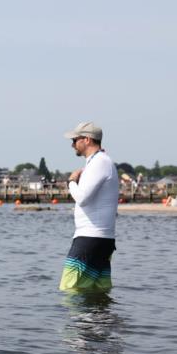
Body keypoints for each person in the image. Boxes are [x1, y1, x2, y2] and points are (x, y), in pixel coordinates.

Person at [59, 122, 119, 292]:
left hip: (90, 238)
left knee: (70, 290)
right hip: (100, 238)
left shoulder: (99, 162)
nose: (72, 144)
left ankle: (76, 320)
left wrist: (71, 181)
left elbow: (82, 198)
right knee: (97, 293)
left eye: (74, 139)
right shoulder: (99, 162)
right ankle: (101, 320)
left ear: (86, 139)